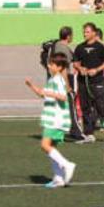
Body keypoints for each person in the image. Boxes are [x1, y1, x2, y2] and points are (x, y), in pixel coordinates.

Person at [25, 52, 76, 189]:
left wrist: (48, 93)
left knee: (45, 145)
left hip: (56, 119)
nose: (49, 66)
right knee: (50, 148)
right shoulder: (52, 80)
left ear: (59, 67)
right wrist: (31, 85)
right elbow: (42, 94)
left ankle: (67, 165)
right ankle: (58, 178)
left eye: (51, 64)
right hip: (51, 118)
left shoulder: (58, 79)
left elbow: (63, 97)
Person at [72, 22, 104, 143]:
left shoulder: (100, 47)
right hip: (83, 82)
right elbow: (75, 62)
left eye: (87, 31)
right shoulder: (79, 47)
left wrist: (96, 70)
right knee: (85, 107)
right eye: (84, 31)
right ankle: (88, 133)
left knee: (101, 107)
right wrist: (81, 69)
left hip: (98, 81)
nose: (85, 34)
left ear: (94, 33)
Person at [51, 26, 83, 141]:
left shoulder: (56, 46)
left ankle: (55, 132)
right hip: (63, 79)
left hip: (55, 79)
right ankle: (76, 133)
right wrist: (68, 85)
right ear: (68, 36)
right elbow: (63, 68)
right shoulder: (63, 48)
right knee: (70, 105)